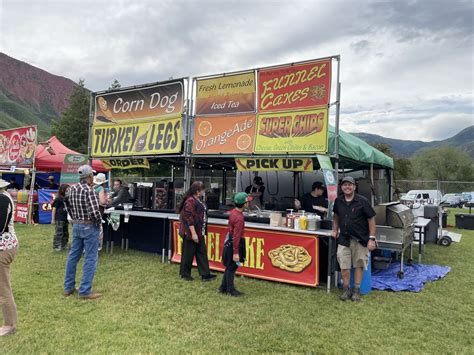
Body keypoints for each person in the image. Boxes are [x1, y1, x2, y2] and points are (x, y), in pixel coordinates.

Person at [331, 176, 377, 302]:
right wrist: (335, 229)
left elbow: (371, 220)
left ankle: (356, 291)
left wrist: (371, 239)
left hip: (360, 239)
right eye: (345, 185)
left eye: (350, 185)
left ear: (354, 187)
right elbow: (336, 216)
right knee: (344, 266)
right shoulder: (338, 201)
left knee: (359, 265)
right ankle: (346, 290)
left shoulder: (362, 201)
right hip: (344, 239)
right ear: (341, 187)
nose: (347, 187)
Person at [63, 165, 102, 300]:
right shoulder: (89, 190)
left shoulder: (71, 189)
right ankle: (85, 291)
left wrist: (75, 218)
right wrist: (98, 224)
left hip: (77, 225)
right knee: (90, 258)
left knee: (73, 256)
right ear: (90, 176)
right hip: (89, 226)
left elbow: (67, 206)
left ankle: (68, 287)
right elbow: (94, 211)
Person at [177, 181, 216, 282]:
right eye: (202, 190)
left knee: (202, 252)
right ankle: (185, 274)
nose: (204, 192)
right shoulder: (190, 201)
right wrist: (193, 233)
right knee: (188, 253)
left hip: (199, 231)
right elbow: (189, 218)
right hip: (190, 232)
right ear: (198, 191)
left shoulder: (198, 199)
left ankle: (205, 274)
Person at [219, 192, 250, 296]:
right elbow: (236, 236)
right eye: (247, 201)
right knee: (232, 267)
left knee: (229, 266)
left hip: (230, 241)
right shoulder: (239, 218)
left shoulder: (233, 212)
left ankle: (223, 287)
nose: (248, 203)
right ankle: (230, 289)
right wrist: (236, 252)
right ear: (244, 204)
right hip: (235, 243)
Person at [0, 178, 18, 336]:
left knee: (3, 288)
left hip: (3, 248)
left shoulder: (3, 199)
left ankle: (10, 324)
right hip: (5, 246)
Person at [51, 184, 70, 251]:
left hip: (66, 218)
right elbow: (54, 209)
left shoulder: (66, 198)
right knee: (59, 232)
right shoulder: (58, 198)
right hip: (59, 218)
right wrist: (53, 219)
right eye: (67, 190)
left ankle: (64, 244)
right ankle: (57, 246)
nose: (68, 191)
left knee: (66, 232)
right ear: (62, 190)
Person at [93, 173, 108, 251]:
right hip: (98, 212)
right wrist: (106, 201)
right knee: (99, 231)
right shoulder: (101, 189)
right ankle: (98, 248)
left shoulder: (91, 187)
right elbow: (102, 201)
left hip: (90, 212)